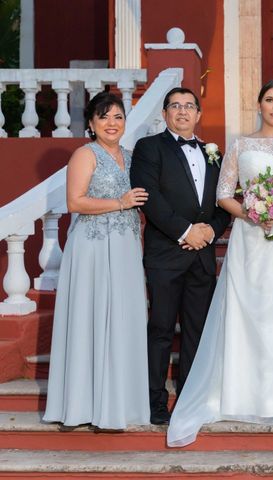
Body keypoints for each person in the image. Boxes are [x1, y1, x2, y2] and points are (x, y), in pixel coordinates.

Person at [166, 79, 273, 447]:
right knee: (252, 313)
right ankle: (247, 393)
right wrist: (253, 212)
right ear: (258, 104)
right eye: (269, 100)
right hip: (251, 238)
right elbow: (223, 194)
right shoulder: (241, 145)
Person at [43, 91, 150, 430]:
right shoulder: (84, 155)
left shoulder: (133, 157)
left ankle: (119, 403)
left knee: (122, 318)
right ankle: (82, 405)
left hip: (126, 245)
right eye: (104, 117)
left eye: (117, 116)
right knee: (90, 317)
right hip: (91, 246)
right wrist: (120, 202)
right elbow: (75, 202)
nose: (111, 123)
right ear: (91, 123)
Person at [130, 87, 231, 425]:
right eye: (175, 106)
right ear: (165, 113)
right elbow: (150, 198)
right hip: (165, 253)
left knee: (196, 331)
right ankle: (155, 401)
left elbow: (225, 202)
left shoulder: (214, 152)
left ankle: (189, 397)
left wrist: (211, 232)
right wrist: (187, 231)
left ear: (199, 114)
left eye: (189, 106)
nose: (183, 111)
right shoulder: (149, 148)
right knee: (160, 328)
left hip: (201, 256)